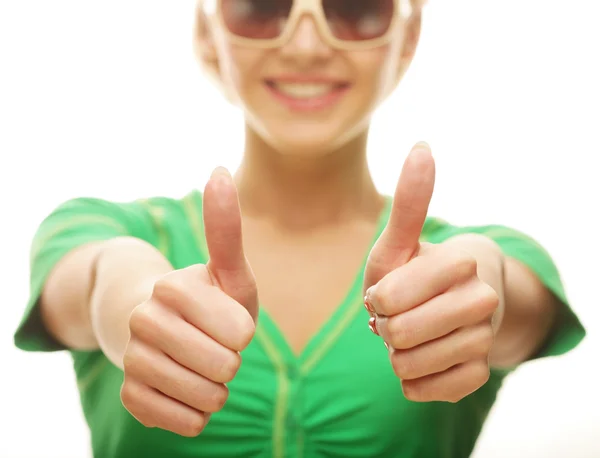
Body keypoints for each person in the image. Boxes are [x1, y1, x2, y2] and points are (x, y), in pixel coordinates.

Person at [13, 0, 585, 457]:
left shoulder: (489, 260)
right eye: (262, 5)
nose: (306, 46)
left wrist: (479, 286)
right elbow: (93, 279)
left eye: (355, 8)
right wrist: (130, 300)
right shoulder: (100, 227)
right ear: (208, 35)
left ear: (407, 36)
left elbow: (511, 303)